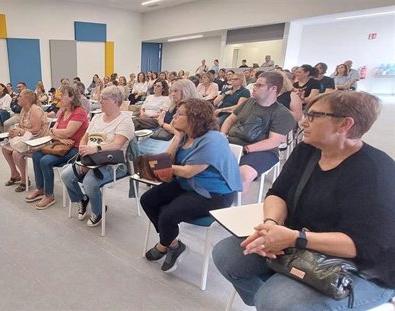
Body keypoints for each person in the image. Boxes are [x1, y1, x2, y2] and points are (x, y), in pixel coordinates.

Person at [213, 91, 395, 310]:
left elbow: (364, 246)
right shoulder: (308, 150)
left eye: (314, 115)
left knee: (275, 299)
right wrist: (272, 225)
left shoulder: (376, 171)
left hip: (363, 269)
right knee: (226, 256)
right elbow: (277, 193)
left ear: (345, 124)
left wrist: (294, 238)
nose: (303, 120)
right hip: (302, 243)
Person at [141, 99, 242, 272]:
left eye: (180, 114)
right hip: (188, 184)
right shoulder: (186, 136)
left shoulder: (213, 139)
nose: (174, 117)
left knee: (167, 214)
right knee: (148, 199)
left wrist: (157, 165)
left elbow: (188, 171)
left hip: (214, 193)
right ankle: (172, 244)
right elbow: (168, 159)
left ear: (194, 118)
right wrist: (176, 137)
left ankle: (164, 245)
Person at [61, 86, 135, 226]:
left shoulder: (124, 121)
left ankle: (98, 211)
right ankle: (82, 199)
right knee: (66, 175)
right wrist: (84, 154)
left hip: (113, 164)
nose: (100, 101)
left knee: (90, 182)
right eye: (100, 98)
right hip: (90, 159)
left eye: (104, 99)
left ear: (115, 101)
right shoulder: (97, 117)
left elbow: (117, 145)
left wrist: (94, 149)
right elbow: (85, 137)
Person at [221, 71, 296, 193]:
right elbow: (230, 119)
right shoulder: (249, 102)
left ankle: (230, 206)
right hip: (234, 143)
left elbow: (273, 141)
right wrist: (222, 135)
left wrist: (245, 150)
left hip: (263, 151)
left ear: (273, 88)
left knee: (244, 174)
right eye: (255, 84)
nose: (254, 88)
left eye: (259, 85)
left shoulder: (282, 114)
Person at [25, 85, 89, 209]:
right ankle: (41, 189)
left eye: (63, 94)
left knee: (45, 161)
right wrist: (60, 137)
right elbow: (52, 130)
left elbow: (68, 132)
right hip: (61, 145)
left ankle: (49, 196)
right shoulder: (62, 112)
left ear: (71, 97)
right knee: (36, 155)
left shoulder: (79, 112)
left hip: (75, 148)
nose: (60, 96)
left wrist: (58, 133)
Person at [1, 89, 49, 192]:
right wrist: (15, 130)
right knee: (5, 149)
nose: (18, 98)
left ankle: (24, 179)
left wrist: (19, 132)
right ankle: (15, 174)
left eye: (20, 96)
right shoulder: (23, 109)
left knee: (16, 153)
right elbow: (22, 127)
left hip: (38, 140)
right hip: (27, 138)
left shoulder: (35, 110)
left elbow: (36, 130)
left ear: (27, 99)